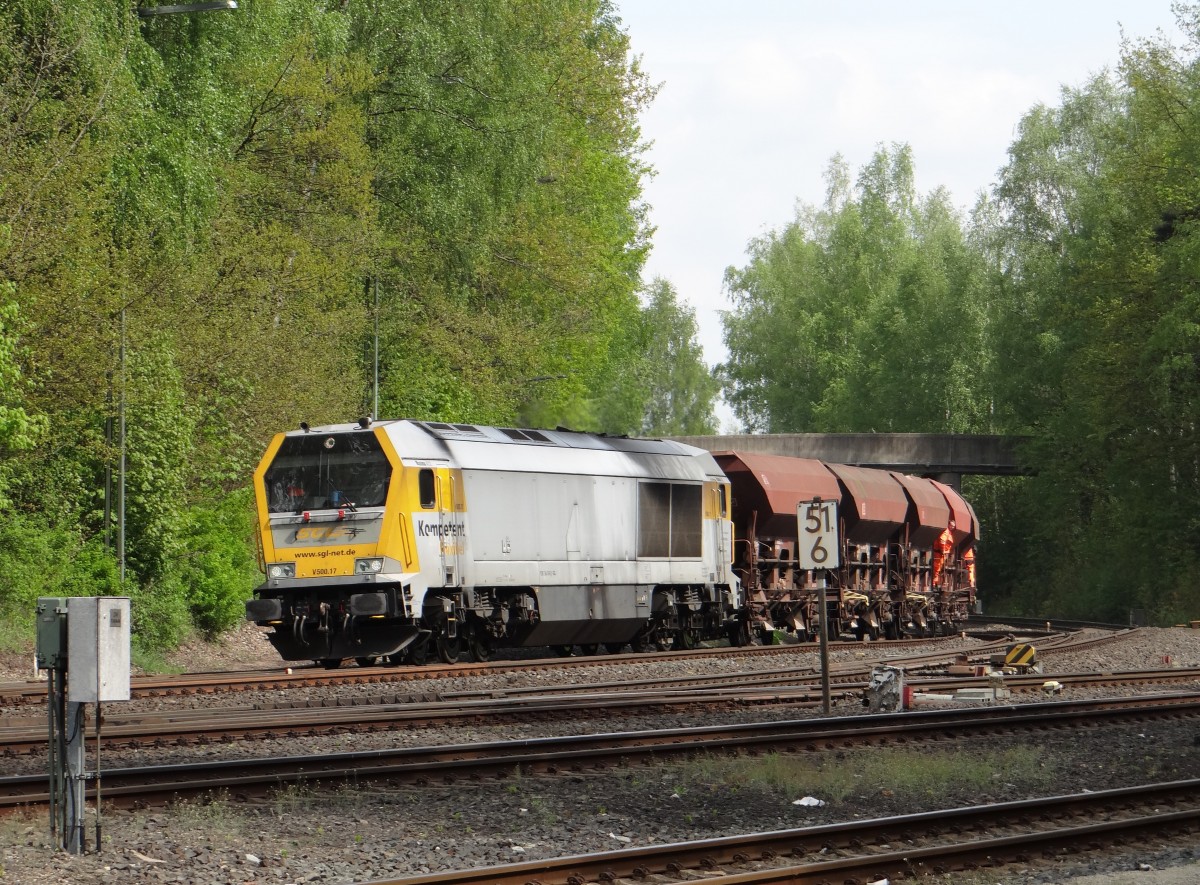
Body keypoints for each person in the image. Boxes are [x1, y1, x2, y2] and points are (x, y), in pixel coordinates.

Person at [932, 520, 955, 587]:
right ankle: (933, 583)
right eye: (951, 525)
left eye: (953, 526)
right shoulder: (946, 532)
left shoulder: (948, 532)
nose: (952, 527)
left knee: (938, 568)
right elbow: (942, 541)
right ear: (948, 525)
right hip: (939, 553)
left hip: (941, 554)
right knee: (937, 568)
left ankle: (934, 583)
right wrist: (943, 551)